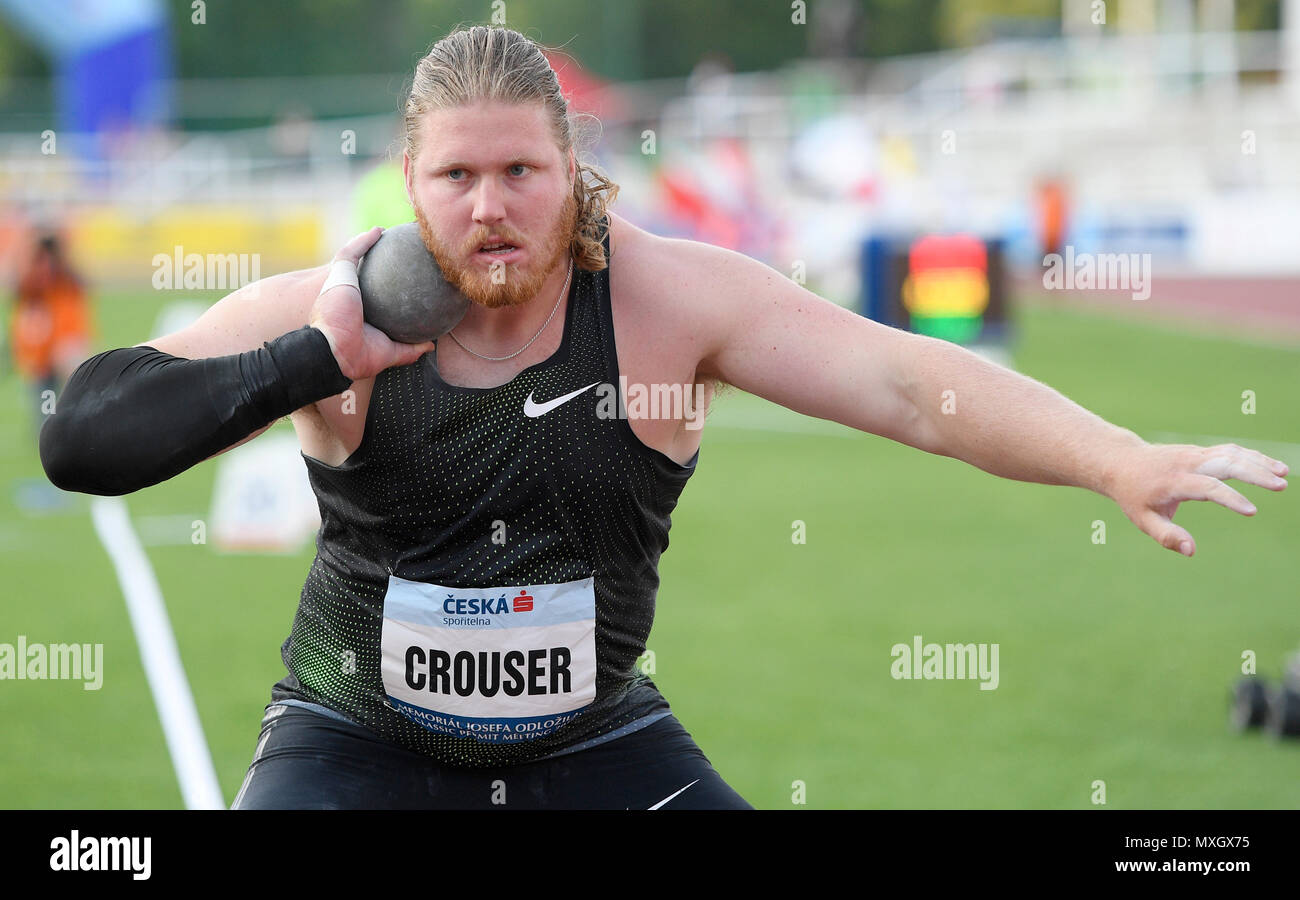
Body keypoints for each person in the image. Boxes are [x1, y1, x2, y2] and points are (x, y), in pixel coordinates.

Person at [39, 26, 1288, 810]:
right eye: (456, 176)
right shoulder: (332, 310)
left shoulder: (667, 299)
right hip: (350, 737)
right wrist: (314, 357)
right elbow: (82, 436)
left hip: (594, 744)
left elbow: (911, 384)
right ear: (409, 183)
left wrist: (1113, 458)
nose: (489, 208)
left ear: (568, 165)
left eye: (520, 171)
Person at [9, 231, 92, 434]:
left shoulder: (65, 277)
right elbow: (20, 293)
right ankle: (49, 433)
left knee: (71, 390)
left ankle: (69, 429)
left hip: (65, 342)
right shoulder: (33, 279)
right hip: (43, 347)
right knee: (44, 394)